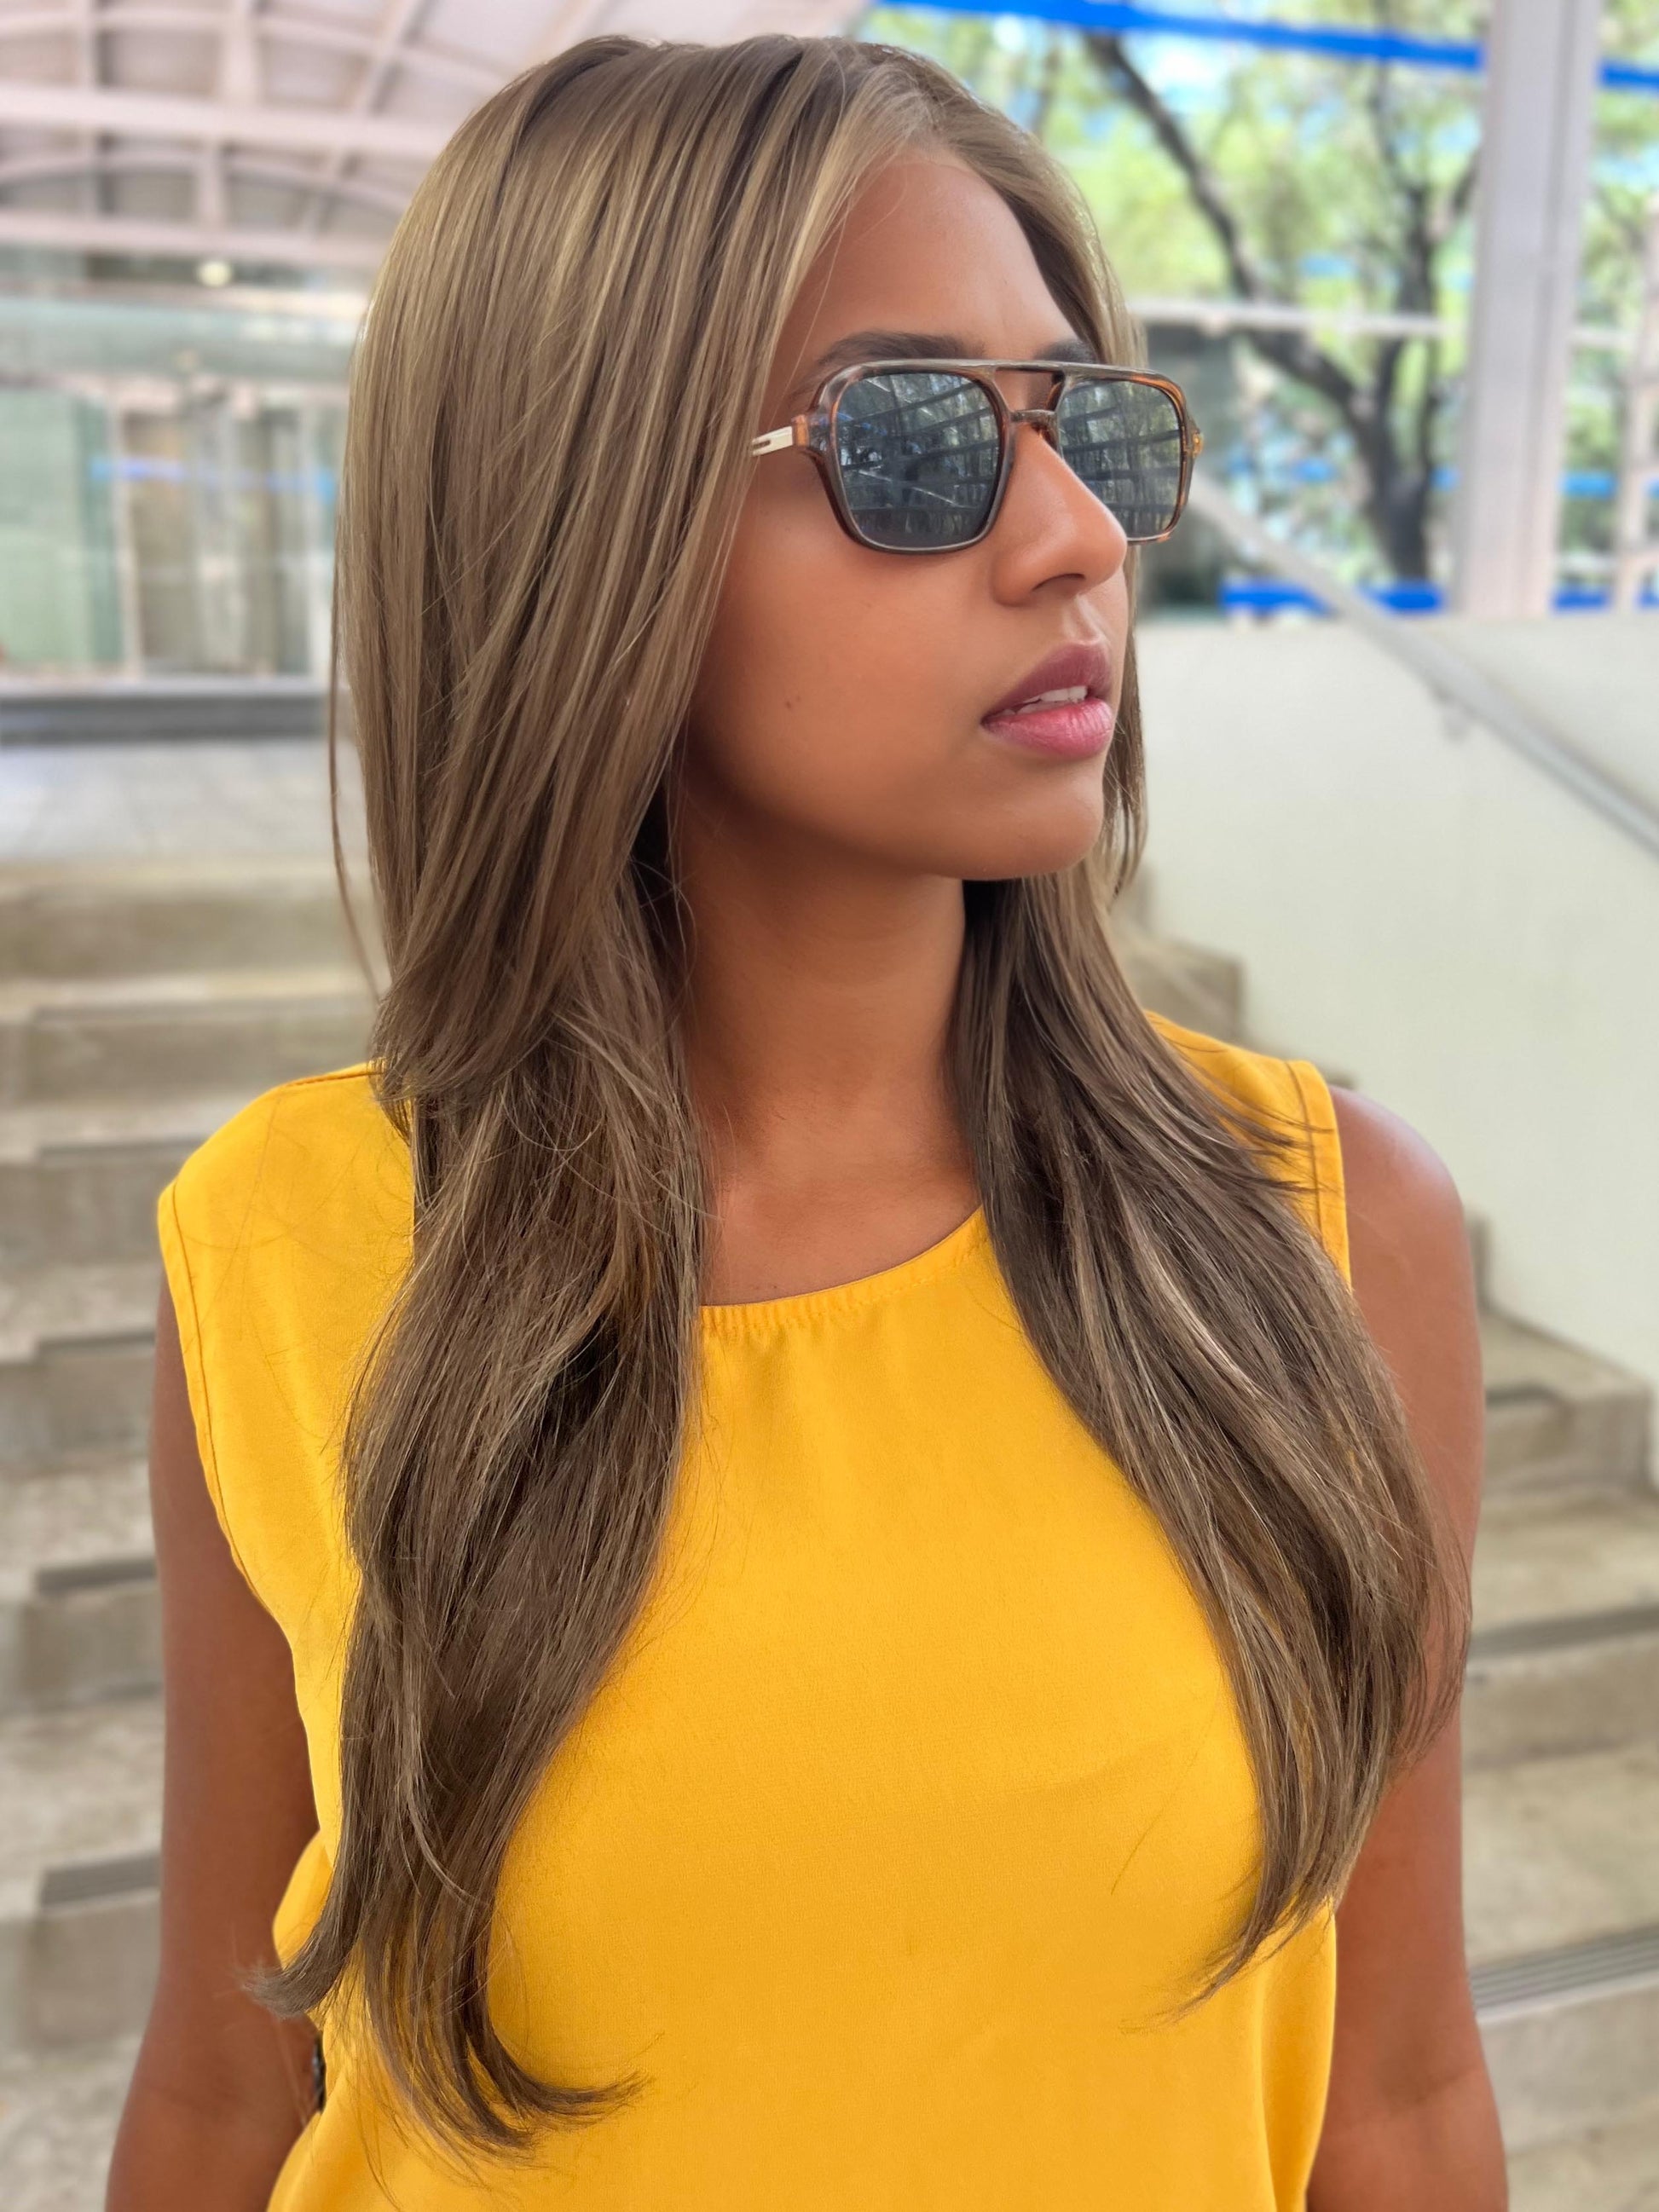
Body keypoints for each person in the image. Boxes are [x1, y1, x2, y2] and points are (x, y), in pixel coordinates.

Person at [108, 33, 1504, 2212]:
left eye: (1085, 426)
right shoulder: (284, 1245)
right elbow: (224, 2079)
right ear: (577, 514)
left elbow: (1394, 2098)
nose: (1074, 538)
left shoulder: (1325, 1231)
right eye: (913, 440)